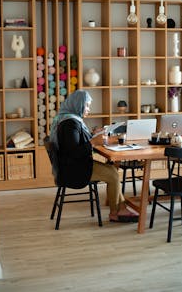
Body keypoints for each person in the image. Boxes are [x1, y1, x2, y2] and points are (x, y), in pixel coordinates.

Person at [50, 89, 139, 223]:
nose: (88, 109)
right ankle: (115, 213)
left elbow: (77, 142)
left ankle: (121, 207)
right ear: (77, 104)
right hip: (74, 170)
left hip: (71, 166)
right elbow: (73, 151)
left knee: (113, 172)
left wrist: (92, 134)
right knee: (113, 174)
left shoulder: (69, 119)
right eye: (86, 105)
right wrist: (92, 142)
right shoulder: (70, 124)